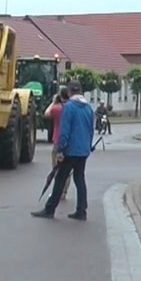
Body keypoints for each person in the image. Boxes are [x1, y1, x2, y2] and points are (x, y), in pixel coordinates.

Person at [32, 80, 94, 221]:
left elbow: (64, 131)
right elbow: (91, 130)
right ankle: (81, 210)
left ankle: (49, 209)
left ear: (70, 92)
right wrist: (88, 147)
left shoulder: (69, 107)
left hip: (70, 150)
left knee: (60, 179)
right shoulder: (88, 109)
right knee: (80, 179)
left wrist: (60, 150)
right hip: (83, 151)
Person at [43, 87, 71, 202]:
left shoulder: (57, 108)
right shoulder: (71, 108)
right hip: (70, 142)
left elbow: (46, 114)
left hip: (58, 141)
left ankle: (57, 193)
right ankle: (64, 192)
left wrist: (53, 102)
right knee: (68, 171)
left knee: (56, 168)